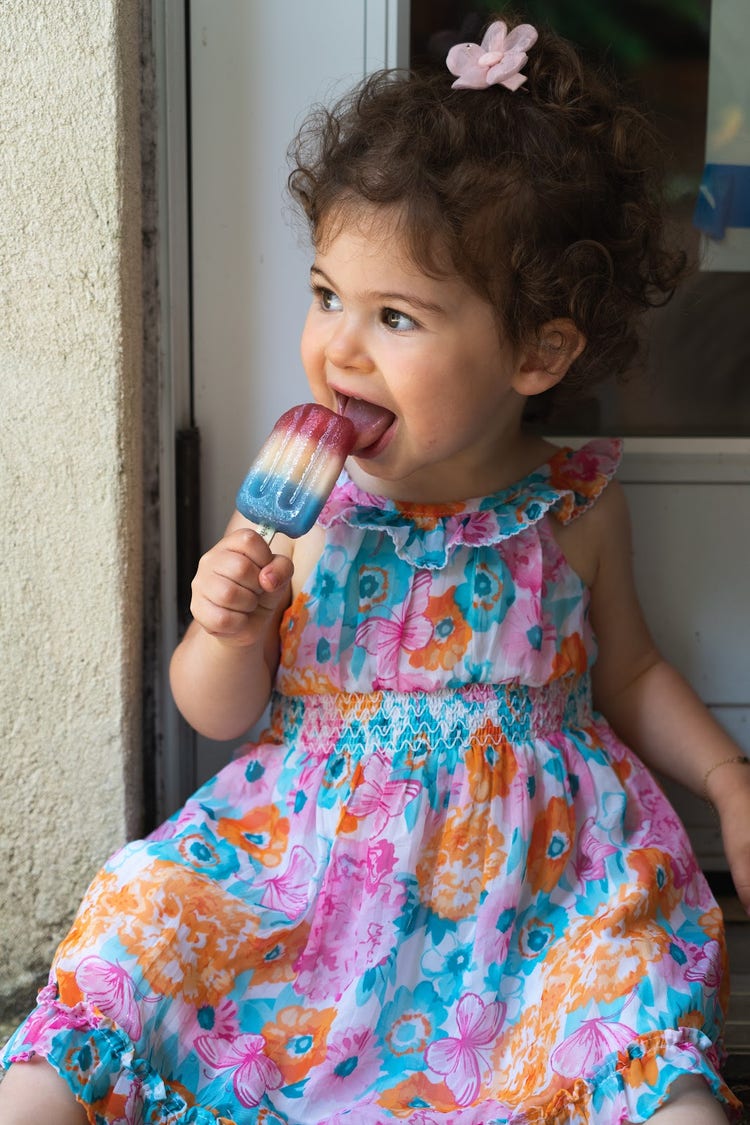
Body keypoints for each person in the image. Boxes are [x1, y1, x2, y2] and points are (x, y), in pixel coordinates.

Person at [1, 14, 749, 1125]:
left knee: (631, 1011)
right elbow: (216, 713)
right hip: (305, 878)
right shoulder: (306, 511)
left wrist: (728, 779)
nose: (339, 347)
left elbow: (631, 672)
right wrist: (226, 627)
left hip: (529, 900)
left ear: (537, 352)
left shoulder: (574, 506)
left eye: (395, 316)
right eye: (325, 296)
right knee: (136, 926)